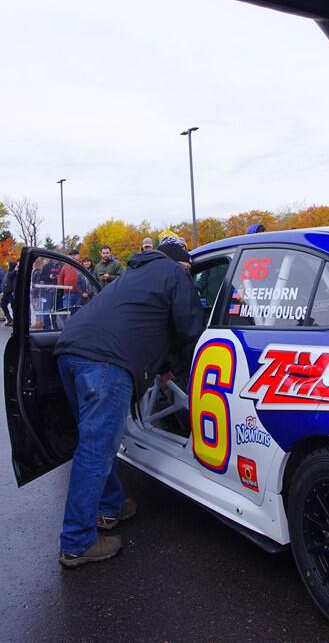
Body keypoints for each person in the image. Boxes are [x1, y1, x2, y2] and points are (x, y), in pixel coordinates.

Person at [53, 243, 204, 568]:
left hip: (69, 350)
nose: (189, 277)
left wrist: (163, 366)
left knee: (96, 442)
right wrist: (190, 374)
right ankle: (76, 542)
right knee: (96, 448)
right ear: (180, 265)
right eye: (189, 271)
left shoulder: (136, 273)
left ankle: (110, 506)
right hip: (106, 362)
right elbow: (192, 330)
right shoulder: (173, 274)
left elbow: (144, 323)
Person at [58, 250, 82, 314]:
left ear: (79, 256)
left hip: (79, 293)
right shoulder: (66, 266)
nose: (73, 257)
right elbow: (60, 277)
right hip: (67, 293)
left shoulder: (82, 265)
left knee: (78, 312)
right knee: (66, 312)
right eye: (71, 255)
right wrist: (61, 287)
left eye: (74, 255)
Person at [0, 261, 18, 326]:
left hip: (12, 293)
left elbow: (10, 276)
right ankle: (9, 319)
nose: (7, 266)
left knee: (14, 308)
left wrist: (15, 269)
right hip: (6, 293)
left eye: (8, 265)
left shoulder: (15, 273)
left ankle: (15, 321)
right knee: (3, 305)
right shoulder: (9, 272)